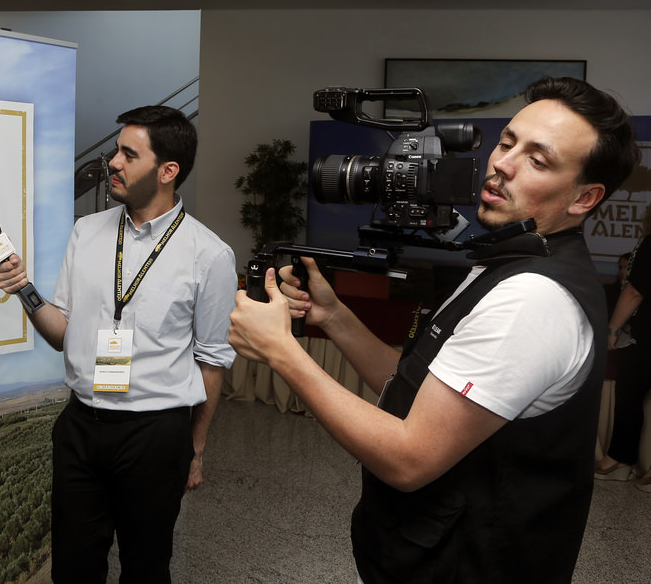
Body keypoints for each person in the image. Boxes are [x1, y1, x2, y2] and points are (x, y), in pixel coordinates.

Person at [229, 76, 639, 583]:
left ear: (584, 197)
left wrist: (280, 353)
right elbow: (416, 387)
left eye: (538, 160)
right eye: (507, 142)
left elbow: (408, 457)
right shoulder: (513, 257)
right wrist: (332, 316)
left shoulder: (531, 297)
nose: (501, 164)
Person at [0, 105, 236, 583]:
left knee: (146, 568)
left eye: (129, 154)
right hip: (80, 427)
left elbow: (211, 360)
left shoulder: (209, 255)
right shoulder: (87, 232)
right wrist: (24, 289)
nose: (113, 164)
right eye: (115, 151)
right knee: (74, 568)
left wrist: (196, 447)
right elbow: (62, 332)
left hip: (155, 436)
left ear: (168, 171)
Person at [596, 207, 651, 490]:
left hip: (647, 338)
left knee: (629, 395)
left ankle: (619, 459)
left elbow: (634, 290)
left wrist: (613, 329)